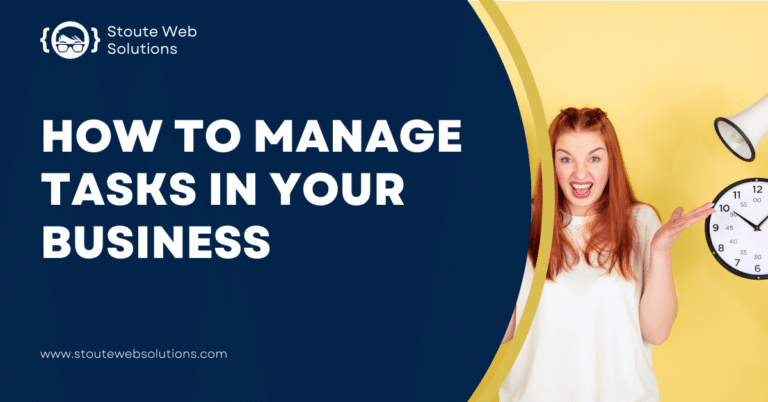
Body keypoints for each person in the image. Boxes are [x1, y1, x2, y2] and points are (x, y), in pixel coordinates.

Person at [499, 107, 714, 402]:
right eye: (566, 159)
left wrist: (660, 252)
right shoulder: (522, 221)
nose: (580, 173)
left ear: (610, 163)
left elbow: (657, 332)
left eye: (594, 158)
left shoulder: (640, 221)